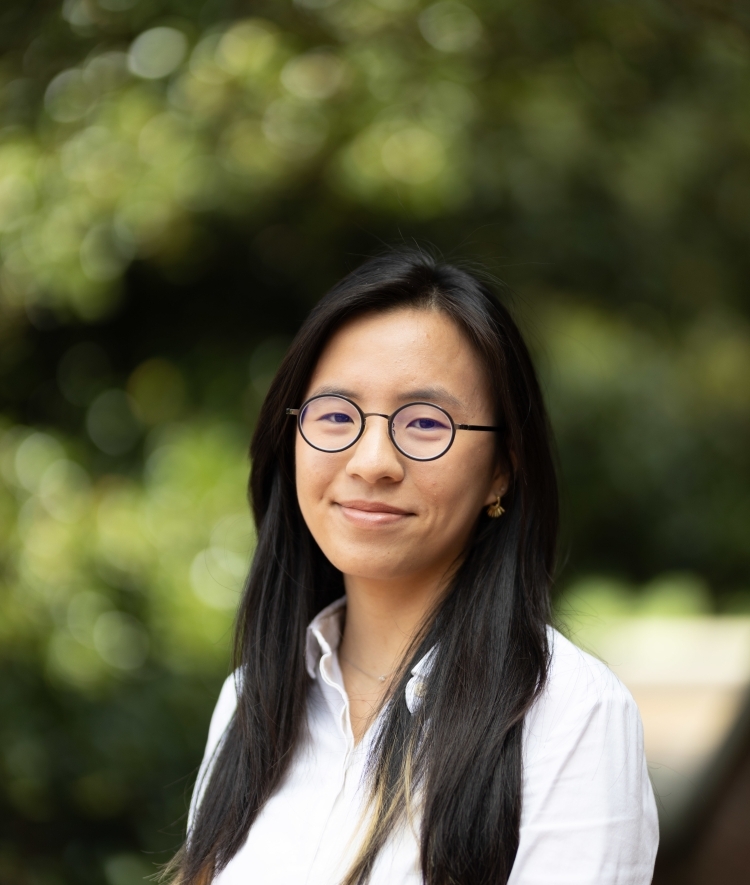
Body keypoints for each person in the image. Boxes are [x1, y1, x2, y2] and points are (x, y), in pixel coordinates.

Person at [171, 251, 659, 885]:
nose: (372, 461)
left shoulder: (568, 713)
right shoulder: (249, 704)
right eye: (336, 416)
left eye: (426, 422)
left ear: (502, 469)